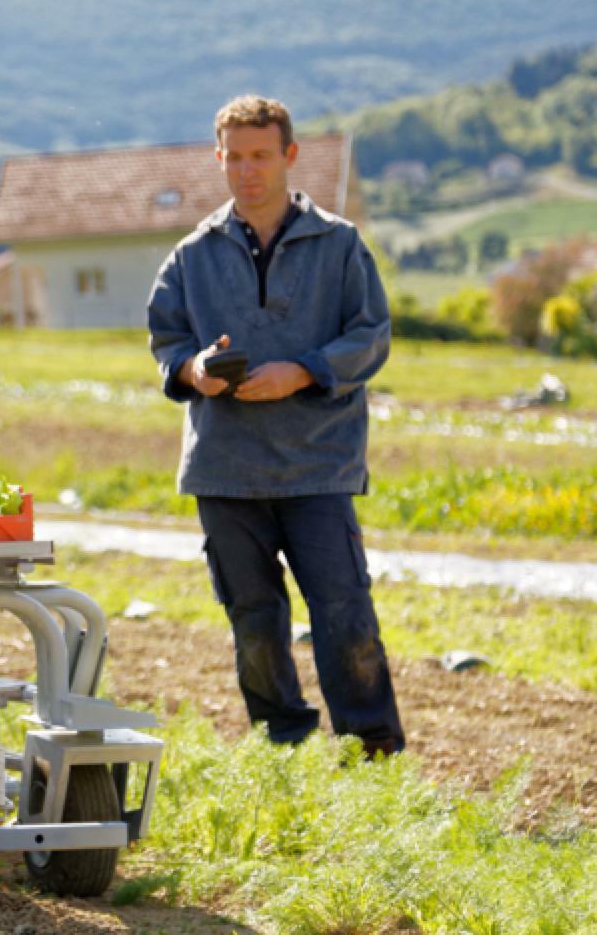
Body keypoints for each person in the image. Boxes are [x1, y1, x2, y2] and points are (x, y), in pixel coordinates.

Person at [145, 95, 405, 756]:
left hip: (318, 464)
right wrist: (194, 370)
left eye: (260, 155)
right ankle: (283, 743)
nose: (246, 170)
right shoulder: (191, 255)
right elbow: (167, 342)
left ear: (290, 156)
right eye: (233, 157)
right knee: (254, 622)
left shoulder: (341, 245)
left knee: (345, 614)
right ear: (218, 159)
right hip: (224, 468)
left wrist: (305, 369)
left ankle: (370, 750)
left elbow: (371, 337)